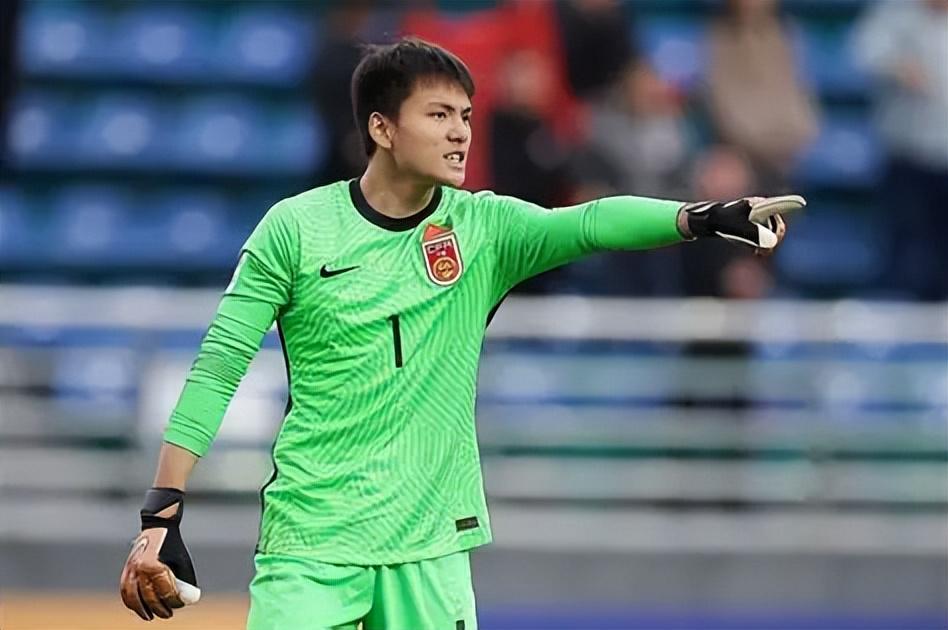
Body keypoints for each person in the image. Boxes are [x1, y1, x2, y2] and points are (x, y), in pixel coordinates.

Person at [119, 38, 794, 630]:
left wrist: (699, 218)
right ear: (382, 128)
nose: (461, 133)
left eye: (466, 116)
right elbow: (219, 366)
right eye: (439, 115)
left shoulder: (483, 230)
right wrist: (161, 513)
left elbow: (588, 224)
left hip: (431, 542)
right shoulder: (295, 229)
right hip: (313, 539)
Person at [854, 0, 948, 300]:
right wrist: (898, 67)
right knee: (906, 257)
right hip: (907, 160)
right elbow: (864, 54)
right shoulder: (895, 13)